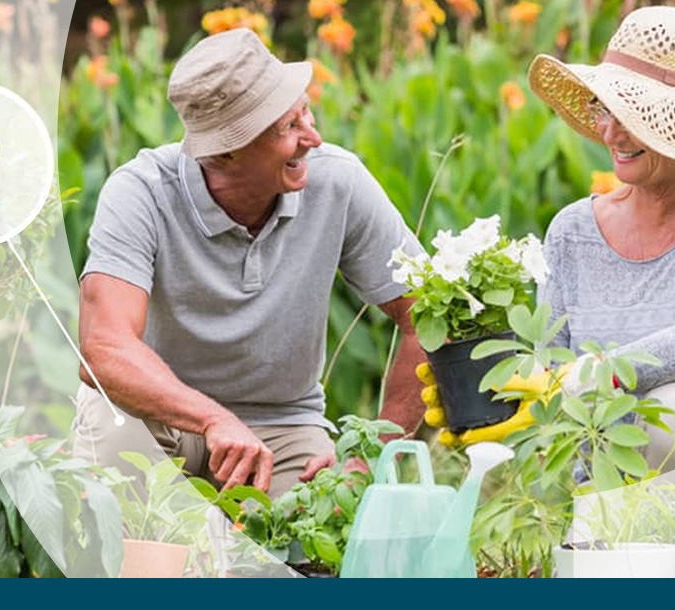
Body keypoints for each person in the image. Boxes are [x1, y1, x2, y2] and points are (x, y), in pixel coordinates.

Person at [425, 7, 675, 493]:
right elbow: (554, 372)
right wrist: (487, 393)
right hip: (618, 484)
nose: (611, 133)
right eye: (604, 109)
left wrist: (592, 375)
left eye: (632, 115)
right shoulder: (573, 232)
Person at [72, 28, 426, 498]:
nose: (313, 138)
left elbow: (425, 312)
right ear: (226, 152)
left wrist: (370, 455)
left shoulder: (338, 182)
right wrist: (213, 418)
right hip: (160, 420)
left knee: (319, 535)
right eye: (288, 128)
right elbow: (104, 348)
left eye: (306, 112)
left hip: (282, 428)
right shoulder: (141, 191)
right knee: (110, 434)